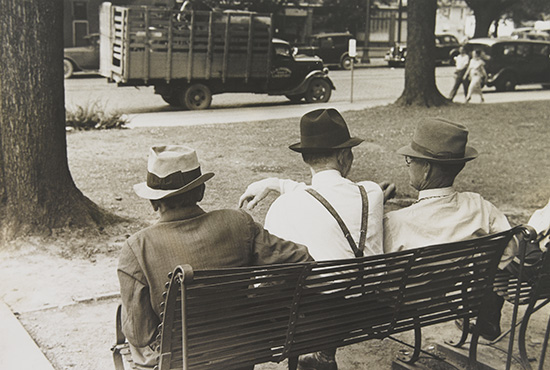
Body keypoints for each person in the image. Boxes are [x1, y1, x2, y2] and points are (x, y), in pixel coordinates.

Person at [118, 145, 313, 369]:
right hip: (241, 351)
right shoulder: (239, 223)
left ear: (153, 201)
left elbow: (140, 334)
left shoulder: (136, 248)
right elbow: (301, 260)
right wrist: (260, 298)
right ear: (201, 191)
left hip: (181, 360)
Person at [239, 108, 389, 370]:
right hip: (367, 304)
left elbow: (272, 270)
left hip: (313, 313)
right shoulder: (372, 193)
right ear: (344, 155)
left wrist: (276, 184)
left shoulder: (286, 206)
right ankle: (323, 355)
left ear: (305, 158)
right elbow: (326, 193)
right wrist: (276, 183)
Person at [383, 117, 518, 340]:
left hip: (399, 310)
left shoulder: (395, 223)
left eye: (411, 160)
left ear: (426, 168)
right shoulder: (481, 208)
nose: (408, 165)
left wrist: (372, 205)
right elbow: (509, 251)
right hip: (451, 300)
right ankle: (486, 321)